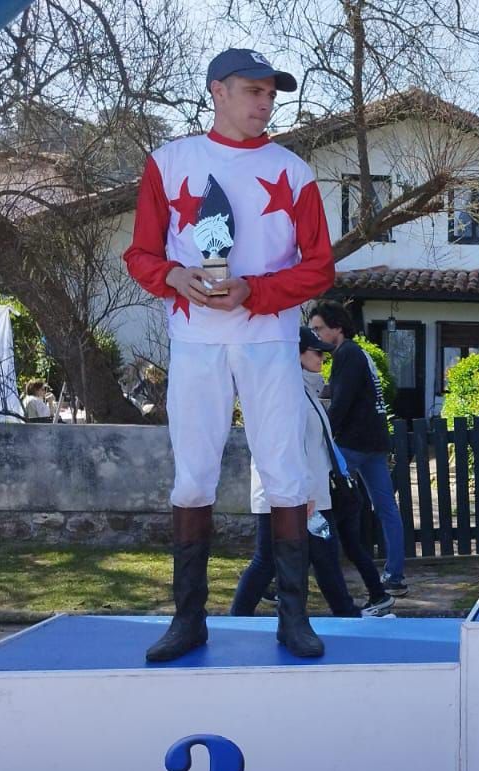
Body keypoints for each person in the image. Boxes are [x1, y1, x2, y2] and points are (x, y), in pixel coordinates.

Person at [123, 48, 335, 661]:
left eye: (272, 94)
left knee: (286, 472)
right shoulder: (169, 162)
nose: (264, 103)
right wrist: (173, 278)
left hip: (268, 340)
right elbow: (140, 254)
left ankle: (293, 618)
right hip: (195, 342)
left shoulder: (294, 171)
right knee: (192, 475)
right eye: (252, 90)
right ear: (217, 90)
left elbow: (319, 265)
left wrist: (256, 292)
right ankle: (188, 618)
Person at [231, 327, 365, 619]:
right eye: (315, 352)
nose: (321, 358)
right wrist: (305, 493)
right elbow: (288, 447)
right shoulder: (288, 394)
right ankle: (238, 615)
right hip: (291, 496)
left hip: (308, 495)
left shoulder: (305, 391)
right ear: (296, 354)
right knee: (270, 559)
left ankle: (346, 612)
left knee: (323, 556)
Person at [308, 300, 409, 598]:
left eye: (319, 329)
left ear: (337, 328)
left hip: (354, 443)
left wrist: (322, 436)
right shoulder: (357, 353)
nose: (315, 336)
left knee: (316, 499)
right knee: (386, 508)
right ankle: (395, 575)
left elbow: (341, 403)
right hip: (375, 441)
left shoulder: (346, 355)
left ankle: (297, 569)